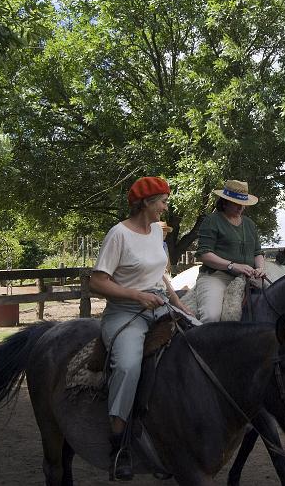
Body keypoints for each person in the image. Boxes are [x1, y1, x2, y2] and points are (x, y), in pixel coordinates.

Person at [89, 176, 195, 481]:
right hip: (125, 313)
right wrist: (136, 295)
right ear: (146, 203)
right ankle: (119, 444)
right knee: (128, 366)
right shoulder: (118, 235)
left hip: (160, 305)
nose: (166, 206)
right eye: (162, 201)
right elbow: (98, 281)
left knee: (198, 341)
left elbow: (159, 273)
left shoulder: (154, 234)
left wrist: (178, 302)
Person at [194, 179, 266, 323]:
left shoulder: (250, 224)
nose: (240, 208)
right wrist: (232, 265)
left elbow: (257, 252)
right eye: (236, 203)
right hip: (217, 276)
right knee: (211, 316)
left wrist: (261, 268)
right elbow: (205, 254)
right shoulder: (212, 220)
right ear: (225, 202)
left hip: (248, 277)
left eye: (243, 204)